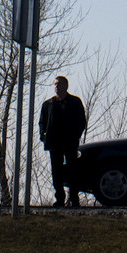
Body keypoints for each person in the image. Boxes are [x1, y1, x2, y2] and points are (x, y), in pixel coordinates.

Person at [39, 76, 88, 206]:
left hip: (70, 142)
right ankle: (59, 198)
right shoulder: (48, 104)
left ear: (65, 86)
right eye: (55, 84)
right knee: (56, 171)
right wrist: (43, 136)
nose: (56, 87)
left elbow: (81, 121)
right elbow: (42, 123)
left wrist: (76, 135)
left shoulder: (75, 102)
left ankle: (73, 198)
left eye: (59, 84)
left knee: (72, 169)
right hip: (54, 143)